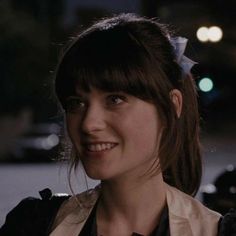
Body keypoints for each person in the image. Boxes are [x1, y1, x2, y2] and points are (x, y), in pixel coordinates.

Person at [1, 13, 235, 236]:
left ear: (171, 106)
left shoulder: (215, 230)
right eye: (76, 103)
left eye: (115, 99)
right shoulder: (35, 225)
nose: (89, 124)